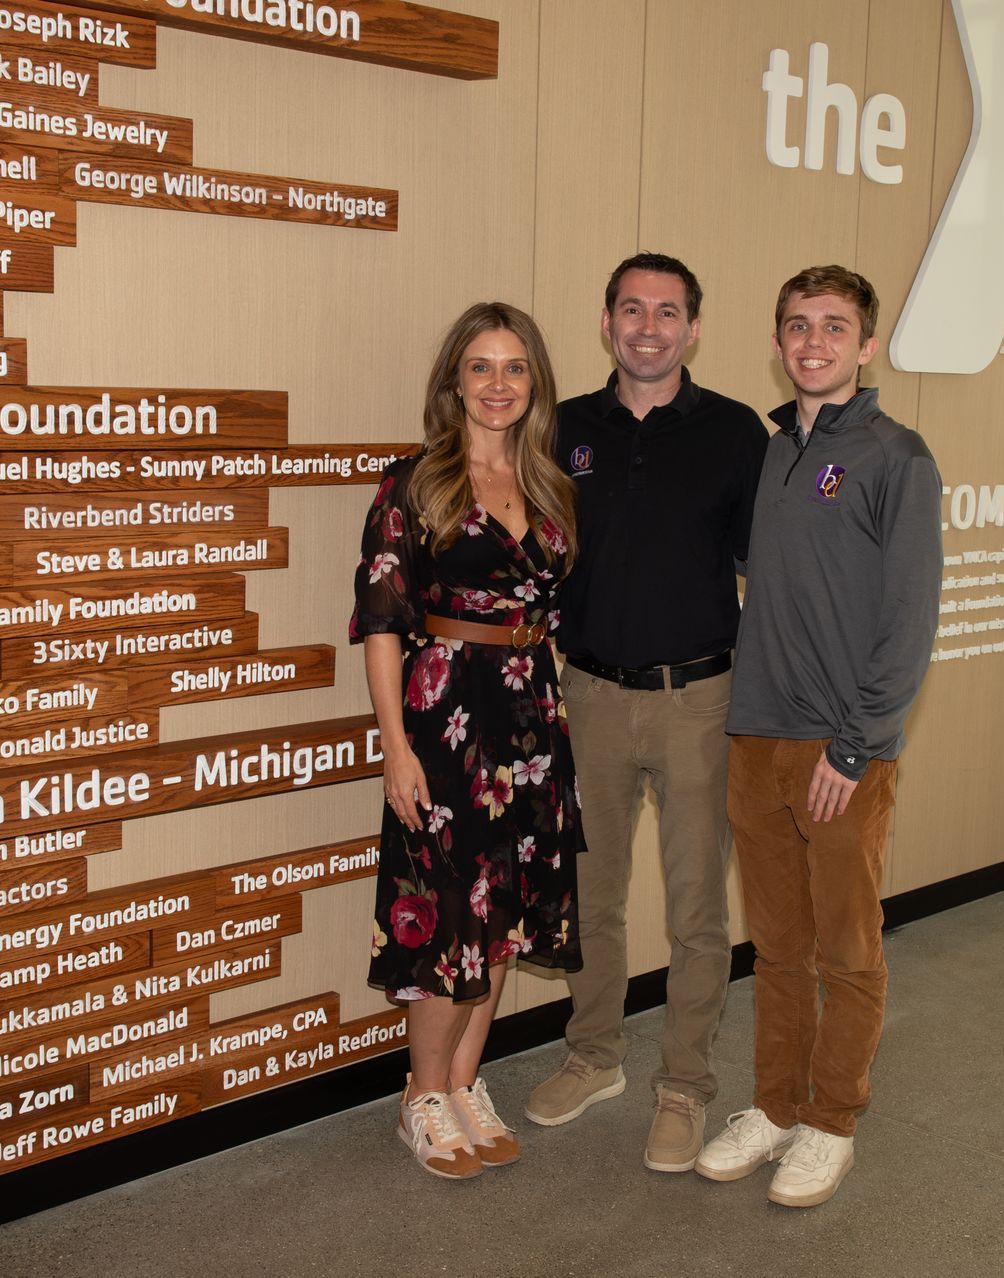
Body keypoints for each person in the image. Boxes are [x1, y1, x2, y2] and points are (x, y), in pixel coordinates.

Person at [694, 265, 941, 1208]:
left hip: (842, 751)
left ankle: (833, 1121)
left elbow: (910, 619)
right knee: (780, 948)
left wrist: (856, 744)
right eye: (798, 325)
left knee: (849, 950)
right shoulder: (767, 455)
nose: (814, 343)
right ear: (777, 339)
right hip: (754, 735)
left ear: (866, 345)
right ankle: (774, 1107)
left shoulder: (896, 457)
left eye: (835, 327)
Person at [524, 253, 767, 1173]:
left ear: (693, 328)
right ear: (607, 320)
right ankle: (595, 1057)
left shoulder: (737, 433)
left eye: (669, 312)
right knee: (593, 896)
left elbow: (770, 575)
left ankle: (685, 1086)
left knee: (699, 907)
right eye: (633, 309)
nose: (650, 327)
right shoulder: (562, 429)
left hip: (701, 699)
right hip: (586, 693)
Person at [350, 301, 584, 1180]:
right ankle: (419, 1097)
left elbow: (552, 613)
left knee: (503, 914)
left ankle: (462, 1085)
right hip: (444, 720)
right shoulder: (413, 483)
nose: (498, 384)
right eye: (481, 367)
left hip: (530, 718)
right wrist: (395, 747)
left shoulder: (552, 487)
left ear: (536, 383)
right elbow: (381, 621)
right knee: (448, 912)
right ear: (455, 379)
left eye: (515, 367)